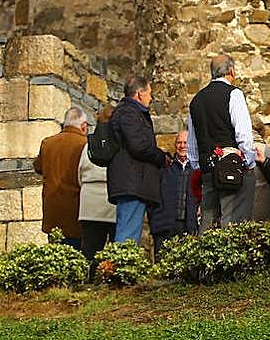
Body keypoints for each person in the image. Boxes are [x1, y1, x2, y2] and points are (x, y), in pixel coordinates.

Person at [187, 54, 257, 230]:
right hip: (232, 168)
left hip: (207, 169)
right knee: (234, 224)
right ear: (231, 71)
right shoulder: (234, 94)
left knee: (208, 225)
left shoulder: (196, 100)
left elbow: (192, 144)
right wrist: (248, 162)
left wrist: (199, 166)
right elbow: (243, 134)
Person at [108, 76, 170, 243]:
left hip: (134, 182)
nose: (151, 98)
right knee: (127, 236)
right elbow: (139, 146)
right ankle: (122, 260)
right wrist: (161, 157)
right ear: (140, 94)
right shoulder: (128, 113)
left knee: (129, 234)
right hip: (132, 183)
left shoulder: (129, 112)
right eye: (149, 93)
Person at [33, 106, 88, 248]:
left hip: (53, 210)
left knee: (55, 254)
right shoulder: (84, 144)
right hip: (76, 210)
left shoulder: (48, 143)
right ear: (83, 126)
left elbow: (38, 167)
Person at [150, 129, 198, 259]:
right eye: (179, 143)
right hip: (164, 225)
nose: (182, 146)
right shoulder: (165, 167)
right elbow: (153, 194)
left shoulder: (197, 168)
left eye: (186, 143)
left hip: (189, 226)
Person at [77, 105, 116, 263]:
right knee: (115, 251)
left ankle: (89, 276)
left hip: (90, 203)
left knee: (90, 250)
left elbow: (80, 172)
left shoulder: (89, 144)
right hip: (112, 200)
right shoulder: (119, 143)